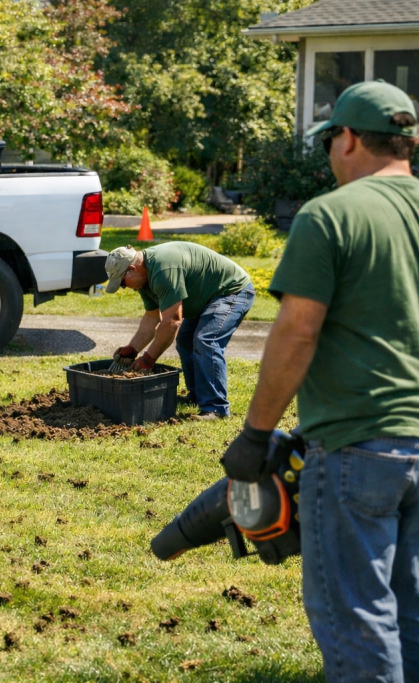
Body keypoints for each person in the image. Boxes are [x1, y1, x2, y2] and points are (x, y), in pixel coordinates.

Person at [221, 81, 419, 681]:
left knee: (358, 616)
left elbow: (297, 332)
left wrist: (256, 435)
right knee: (410, 612)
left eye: (330, 139)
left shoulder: (332, 214)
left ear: (349, 138)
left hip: (358, 443)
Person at [103, 241, 255, 420]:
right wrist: (133, 349)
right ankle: (197, 395)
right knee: (185, 341)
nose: (125, 287)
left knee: (207, 340)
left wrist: (148, 359)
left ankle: (216, 408)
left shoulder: (163, 269)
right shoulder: (144, 281)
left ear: (132, 269)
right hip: (206, 297)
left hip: (231, 290)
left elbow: (172, 322)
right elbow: (152, 318)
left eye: (122, 283)